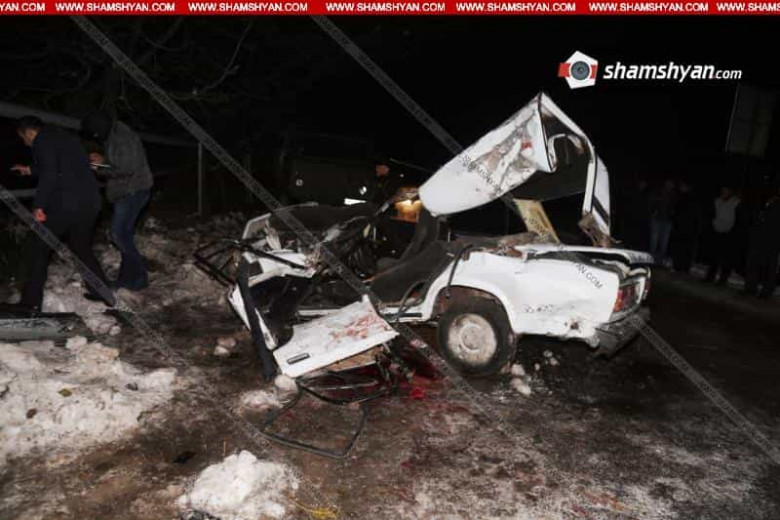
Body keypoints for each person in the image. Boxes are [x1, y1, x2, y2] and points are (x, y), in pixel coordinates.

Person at [10, 116, 114, 310]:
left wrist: (39, 206)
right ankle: (103, 293)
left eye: (23, 138)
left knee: (36, 246)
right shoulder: (64, 137)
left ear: (29, 132)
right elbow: (61, 166)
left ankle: (30, 305)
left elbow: (50, 172)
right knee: (81, 247)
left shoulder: (42, 140)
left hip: (67, 203)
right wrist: (30, 169)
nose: (25, 143)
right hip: (91, 202)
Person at [81, 111, 153, 291]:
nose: (95, 138)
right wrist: (102, 161)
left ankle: (141, 276)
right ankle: (127, 279)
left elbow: (126, 169)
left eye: (95, 135)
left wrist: (100, 166)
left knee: (118, 235)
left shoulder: (122, 137)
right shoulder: (114, 135)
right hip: (127, 190)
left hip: (132, 190)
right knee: (124, 236)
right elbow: (119, 162)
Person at [744, 185, 780, 298]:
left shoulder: (777, 206)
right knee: (753, 264)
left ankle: (766, 291)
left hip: (772, 242)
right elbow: (755, 221)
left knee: (769, 267)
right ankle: (750, 288)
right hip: (757, 240)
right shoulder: (761, 204)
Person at [705, 185, 741, 285]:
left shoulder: (735, 202)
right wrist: (714, 223)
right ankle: (710, 276)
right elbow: (712, 213)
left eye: (726, 190)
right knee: (714, 256)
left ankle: (723, 279)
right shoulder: (717, 201)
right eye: (722, 190)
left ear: (730, 191)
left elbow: (739, 218)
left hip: (729, 233)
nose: (724, 192)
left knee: (726, 258)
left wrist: (734, 230)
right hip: (717, 230)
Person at [670, 179, 701, 274]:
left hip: (685, 227)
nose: (680, 187)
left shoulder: (684, 198)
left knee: (682, 248)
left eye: (682, 186)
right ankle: (683, 267)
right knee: (685, 248)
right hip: (687, 228)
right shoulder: (687, 198)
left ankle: (680, 267)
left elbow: (678, 212)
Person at [648, 179, 678, 265]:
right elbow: (651, 202)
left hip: (668, 221)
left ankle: (660, 261)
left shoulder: (674, 195)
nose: (669, 185)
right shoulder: (658, 192)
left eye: (671, 183)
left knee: (664, 242)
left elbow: (675, 207)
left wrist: (672, 215)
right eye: (668, 183)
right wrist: (653, 212)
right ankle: (650, 260)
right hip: (657, 219)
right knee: (654, 241)